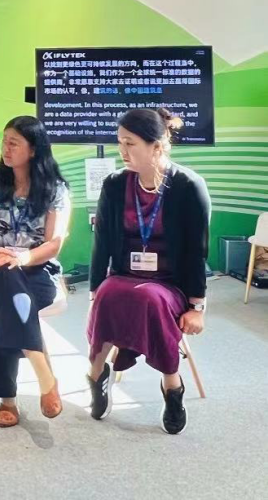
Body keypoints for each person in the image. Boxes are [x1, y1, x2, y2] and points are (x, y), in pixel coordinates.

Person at [86, 108, 210, 435]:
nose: (122, 151)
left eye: (130, 143)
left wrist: (197, 307)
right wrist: (94, 290)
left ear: (156, 146)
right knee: (107, 295)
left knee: (152, 299)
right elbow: (101, 243)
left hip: (170, 283)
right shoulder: (115, 184)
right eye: (120, 143)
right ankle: (97, 376)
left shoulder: (188, 186)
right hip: (125, 275)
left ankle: (172, 387)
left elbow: (197, 251)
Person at [0, 116, 70, 428]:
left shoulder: (55, 188)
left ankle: (6, 399)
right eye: (4, 141)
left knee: (6, 294)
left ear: (33, 150)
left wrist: (22, 258)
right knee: (4, 276)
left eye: (14, 143)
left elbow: (54, 243)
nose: (6, 148)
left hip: (37, 269)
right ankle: (42, 369)